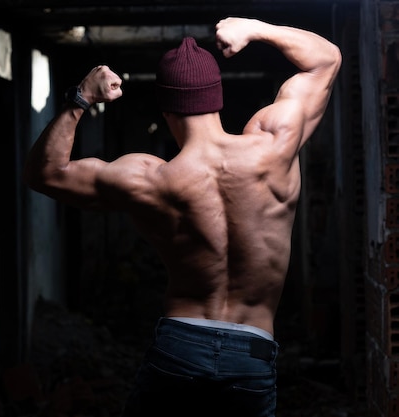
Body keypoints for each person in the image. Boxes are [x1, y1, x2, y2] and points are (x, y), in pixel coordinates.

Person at [23, 16, 341, 417]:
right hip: (251, 351)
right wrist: (255, 29)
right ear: (217, 96)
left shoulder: (148, 178)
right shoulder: (272, 146)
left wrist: (81, 98)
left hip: (179, 347)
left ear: (166, 107)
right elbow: (326, 59)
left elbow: (45, 173)